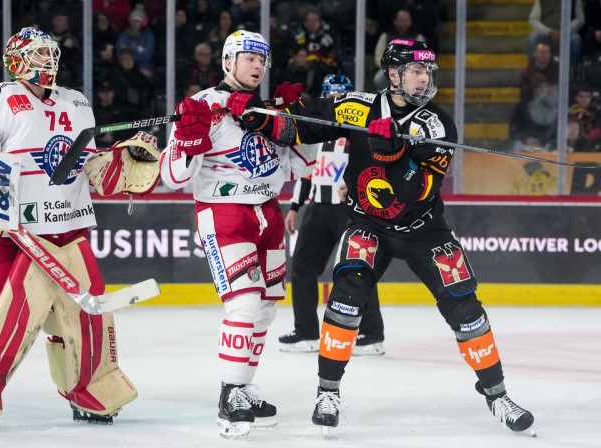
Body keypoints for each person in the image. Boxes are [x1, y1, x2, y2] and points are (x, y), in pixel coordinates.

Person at [230, 39, 535, 436]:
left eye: (428, 72)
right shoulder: (358, 106)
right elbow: (305, 125)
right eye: (415, 71)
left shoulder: (438, 125)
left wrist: (395, 157)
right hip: (368, 224)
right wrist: (262, 117)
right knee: (345, 299)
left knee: (466, 308)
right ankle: (327, 393)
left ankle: (498, 396)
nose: (424, 79)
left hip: (424, 230)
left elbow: (421, 191)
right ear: (392, 74)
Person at [0, 27, 160, 431]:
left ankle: (94, 391)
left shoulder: (76, 102)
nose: (49, 60)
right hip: (17, 231)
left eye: (51, 52)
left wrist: (123, 160)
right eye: (39, 53)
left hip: (69, 228)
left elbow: (91, 170)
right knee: (7, 317)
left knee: (86, 316)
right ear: (17, 60)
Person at [159, 30, 316, 437]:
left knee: (265, 308)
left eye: (262, 59)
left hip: (269, 214)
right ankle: (230, 395)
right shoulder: (203, 105)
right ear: (227, 61)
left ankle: (243, 388)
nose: (258, 65)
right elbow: (173, 176)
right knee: (244, 305)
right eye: (249, 58)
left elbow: (302, 167)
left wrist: (298, 124)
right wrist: (188, 142)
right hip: (225, 212)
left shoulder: (269, 108)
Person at [278, 74, 385, 356]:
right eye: (330, 96)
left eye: (341, 96)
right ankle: (306, 332)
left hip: (350, 209)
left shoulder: (360, 130)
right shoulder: (315, 130)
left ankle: (371, 334)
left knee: (358, 270)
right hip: (317, 208)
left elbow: (376, 165)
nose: (334, 100)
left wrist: (356, 185)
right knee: (301, 267)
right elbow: (305, 170)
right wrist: (295, 208)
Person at [373, 9, 425, 89]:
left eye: (407, 20)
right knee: (378, 79)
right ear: (395, 21)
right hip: (390, 70)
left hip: (411, 71)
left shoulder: (417, 38)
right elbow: (378, 56)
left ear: (411, 21)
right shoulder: (386, 36)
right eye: (402, 20)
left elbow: (422, 58)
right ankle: (386, 98)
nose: (404, 23)